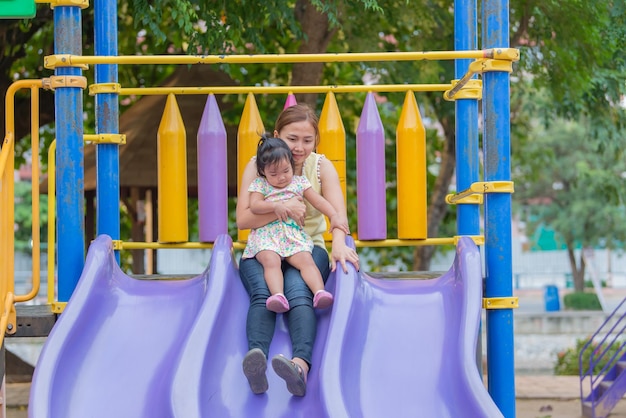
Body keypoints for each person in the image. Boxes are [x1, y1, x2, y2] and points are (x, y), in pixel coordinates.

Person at [237, 104, 360, 397]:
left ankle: (299, 366)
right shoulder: (258, 166)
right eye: (293, 139)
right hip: (264, 246)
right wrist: (284, 209)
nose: (300, 147)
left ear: (315, 140)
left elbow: (336, 214)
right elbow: (243, 219)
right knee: (264, 293)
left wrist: (340, 243)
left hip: (306, 246)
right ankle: (257, 361)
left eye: (307, 140)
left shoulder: (318, 168)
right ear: (278, 135)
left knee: (298, 291)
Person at [242, 134, 349, 314]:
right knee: (271, 261)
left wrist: (334, 215)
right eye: (273, 174)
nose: (281, 178)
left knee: (306, 261)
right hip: (267, 237)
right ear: (263, 172)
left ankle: (319, 292)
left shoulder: (299, 183)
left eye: (285, 171)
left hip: (292, 235)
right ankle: (278, 296)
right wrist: (277, 206)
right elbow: (254, 206)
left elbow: (319, 201)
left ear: (292, 166)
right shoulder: (260, 185)